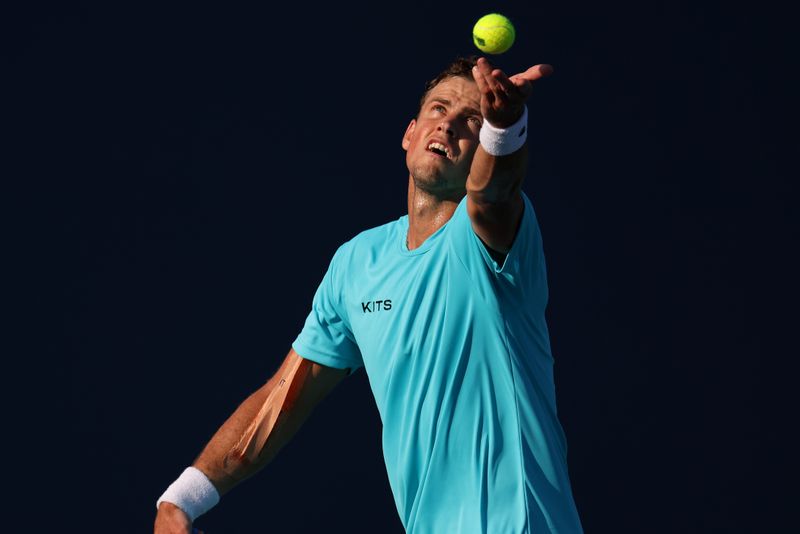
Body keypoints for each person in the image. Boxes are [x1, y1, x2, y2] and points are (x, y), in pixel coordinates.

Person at [154, 55, 584, 533]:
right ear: (410, 132)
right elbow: (280, 400)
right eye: (439, 110)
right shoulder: (357, 263)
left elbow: (494, 192)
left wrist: (504, 129)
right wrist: (182, 500)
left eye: (472, 121)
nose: (449, 126)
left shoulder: (489, 231)